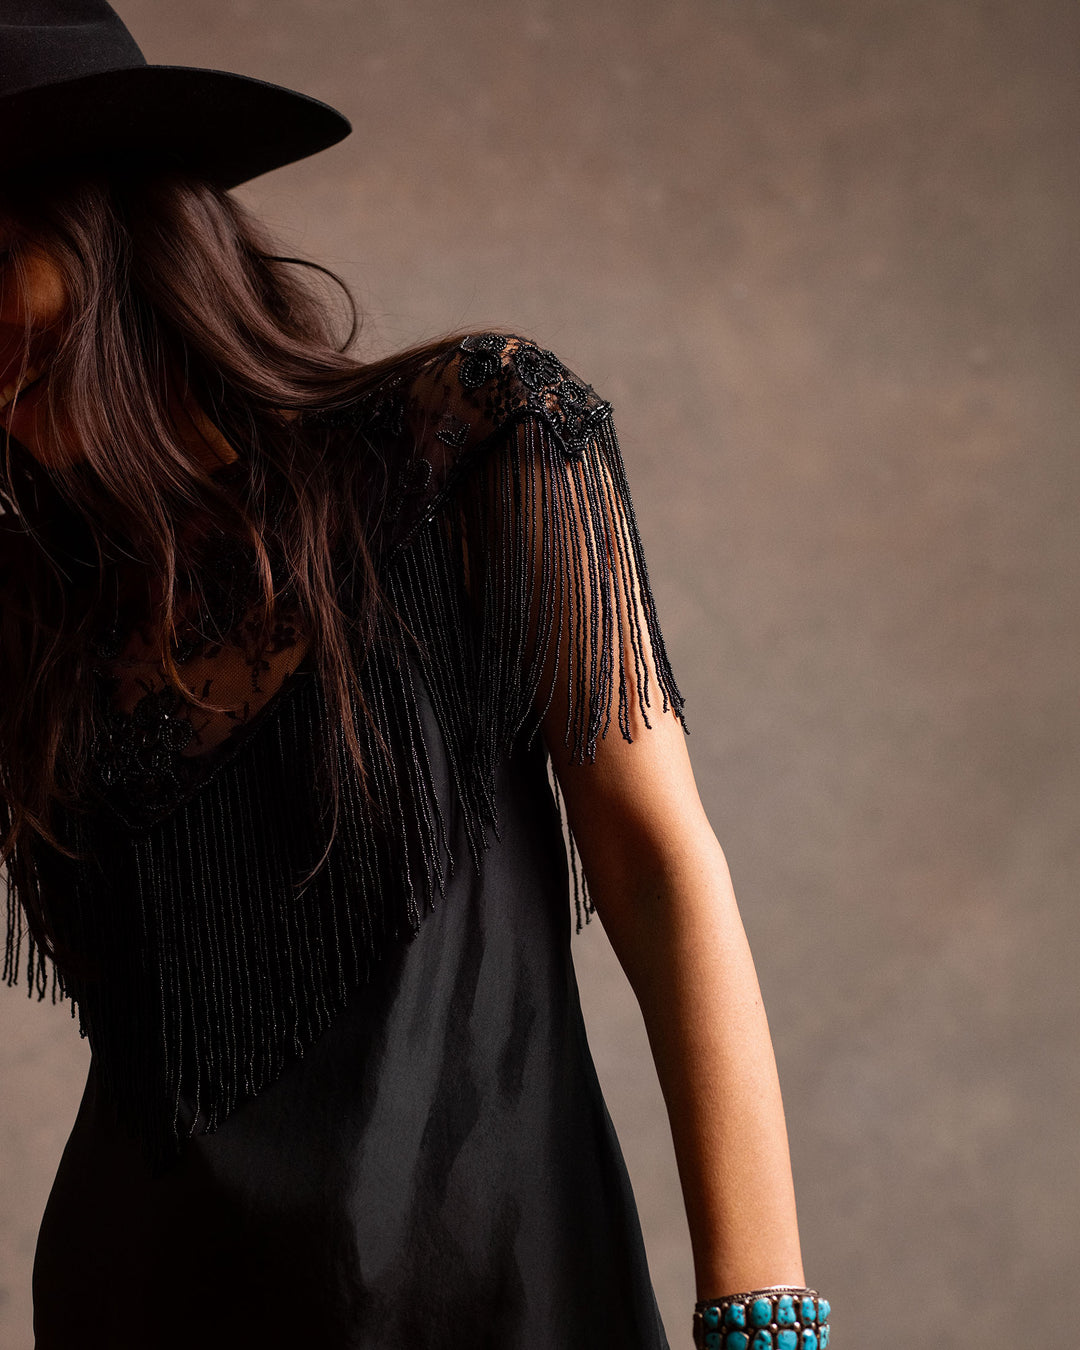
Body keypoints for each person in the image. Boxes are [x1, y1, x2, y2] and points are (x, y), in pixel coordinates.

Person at [0, 4, 831, 1348]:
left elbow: (658, 865)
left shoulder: (479, 440)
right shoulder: (35, 611)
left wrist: (764, 1309)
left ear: (124, 231)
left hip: (499, 1295)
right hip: (139, 1303)